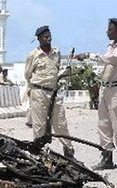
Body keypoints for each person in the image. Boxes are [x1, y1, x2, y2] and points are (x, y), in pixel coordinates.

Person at [75, 18, 117, 172]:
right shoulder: (111, 46)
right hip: (105, 88)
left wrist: (89, 55)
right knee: (103, 124)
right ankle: (106, 157)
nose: (107, 32)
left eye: (110, 29)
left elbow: (111, 60)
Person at [24, 25, 74, 158]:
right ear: (39, 39)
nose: (48, 38)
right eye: (45, 36)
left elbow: (57, 70)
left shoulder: (56, 53)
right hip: (38, 92)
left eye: (49, 35)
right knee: (39, 125)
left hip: (53, 92)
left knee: (60, 122)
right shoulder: (33, 55)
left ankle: (69, 151)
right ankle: (40, 153)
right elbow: (27, 74)